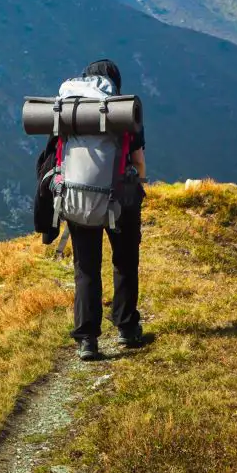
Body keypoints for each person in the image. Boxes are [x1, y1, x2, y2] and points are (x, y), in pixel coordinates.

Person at [67, 58, 147, 361]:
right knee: (124, 261)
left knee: (86, 268)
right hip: (120, 199)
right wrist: (139, 186)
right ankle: (126, 327)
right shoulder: (122, 110)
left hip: (78, 198)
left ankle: (87, 340)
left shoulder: (70, 111)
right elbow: (138, 161)